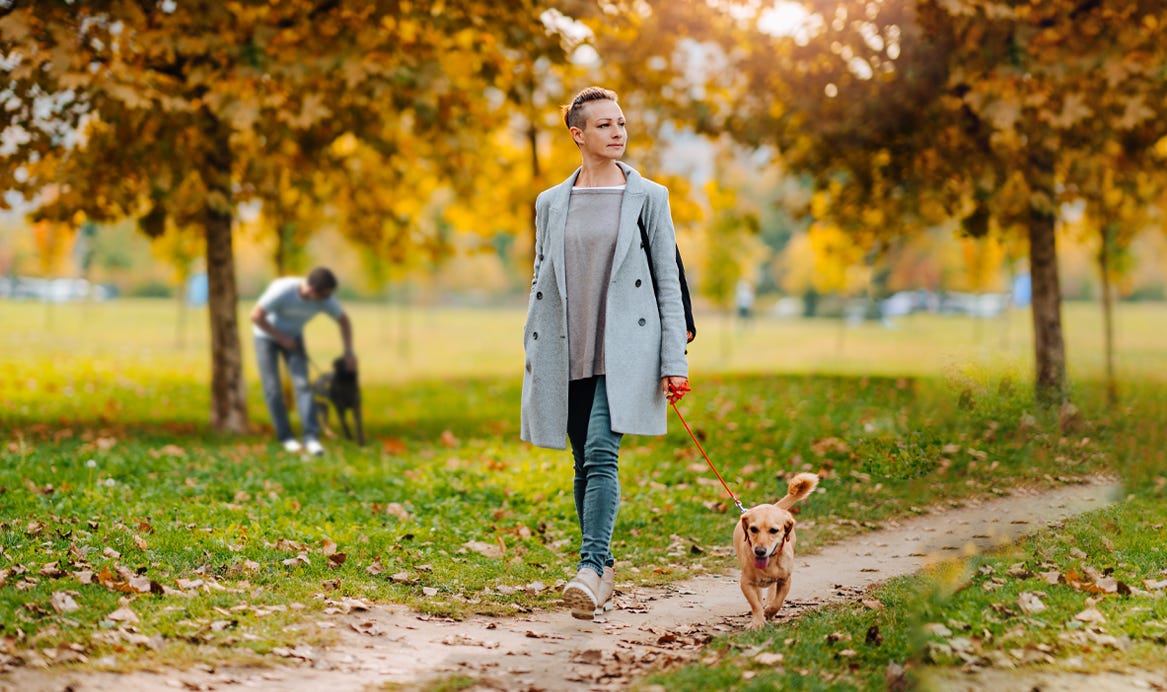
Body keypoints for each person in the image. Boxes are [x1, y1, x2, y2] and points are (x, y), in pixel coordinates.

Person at [520, 87, 690, 620]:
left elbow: (668, 280)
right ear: (578, 134)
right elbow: (540, 277)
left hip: (626, 351)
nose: (618, 132)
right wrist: (532, 342)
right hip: (564, 349)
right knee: (582, 461)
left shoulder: (649, 197)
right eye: (604, 125)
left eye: (621, 123)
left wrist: (673, 362)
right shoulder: (550, 202)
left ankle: (590, 569)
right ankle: (604, 568)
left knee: (600, 450)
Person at [250, 266, 356, 456]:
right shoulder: (283, 291)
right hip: (265, 336)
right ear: (313, 290)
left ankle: (311, 437)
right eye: (324, 295)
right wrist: (281, 338)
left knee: (303, 384)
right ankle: (286, 437)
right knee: (273, 388)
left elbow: (344, 320)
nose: (327, 300)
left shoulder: (325, 299)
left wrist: (348, 352)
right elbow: (256, 316)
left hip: (294, 338)